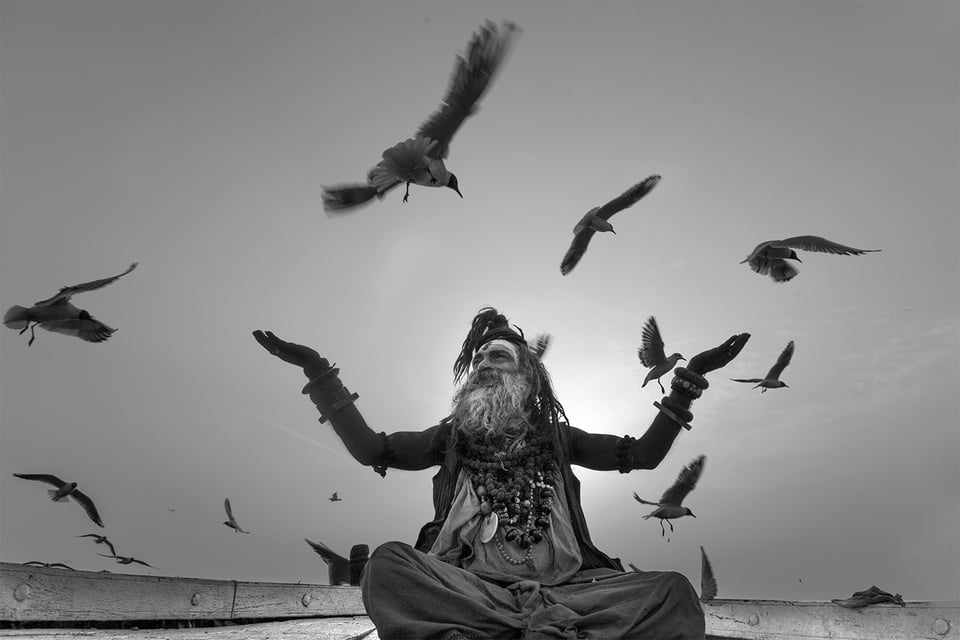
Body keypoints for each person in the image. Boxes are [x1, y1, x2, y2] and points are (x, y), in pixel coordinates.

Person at [253, 308, 749, 640]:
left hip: (573, 592)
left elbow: (642, 455)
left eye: (499, 358)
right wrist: (317, 370)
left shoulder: (557, 438)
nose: (484, 366)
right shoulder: (450, 438)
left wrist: (688, 381)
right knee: (387, 567)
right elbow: (370, 449)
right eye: (480, 360)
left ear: (525, 376)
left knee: (673, 593)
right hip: (474, 591)